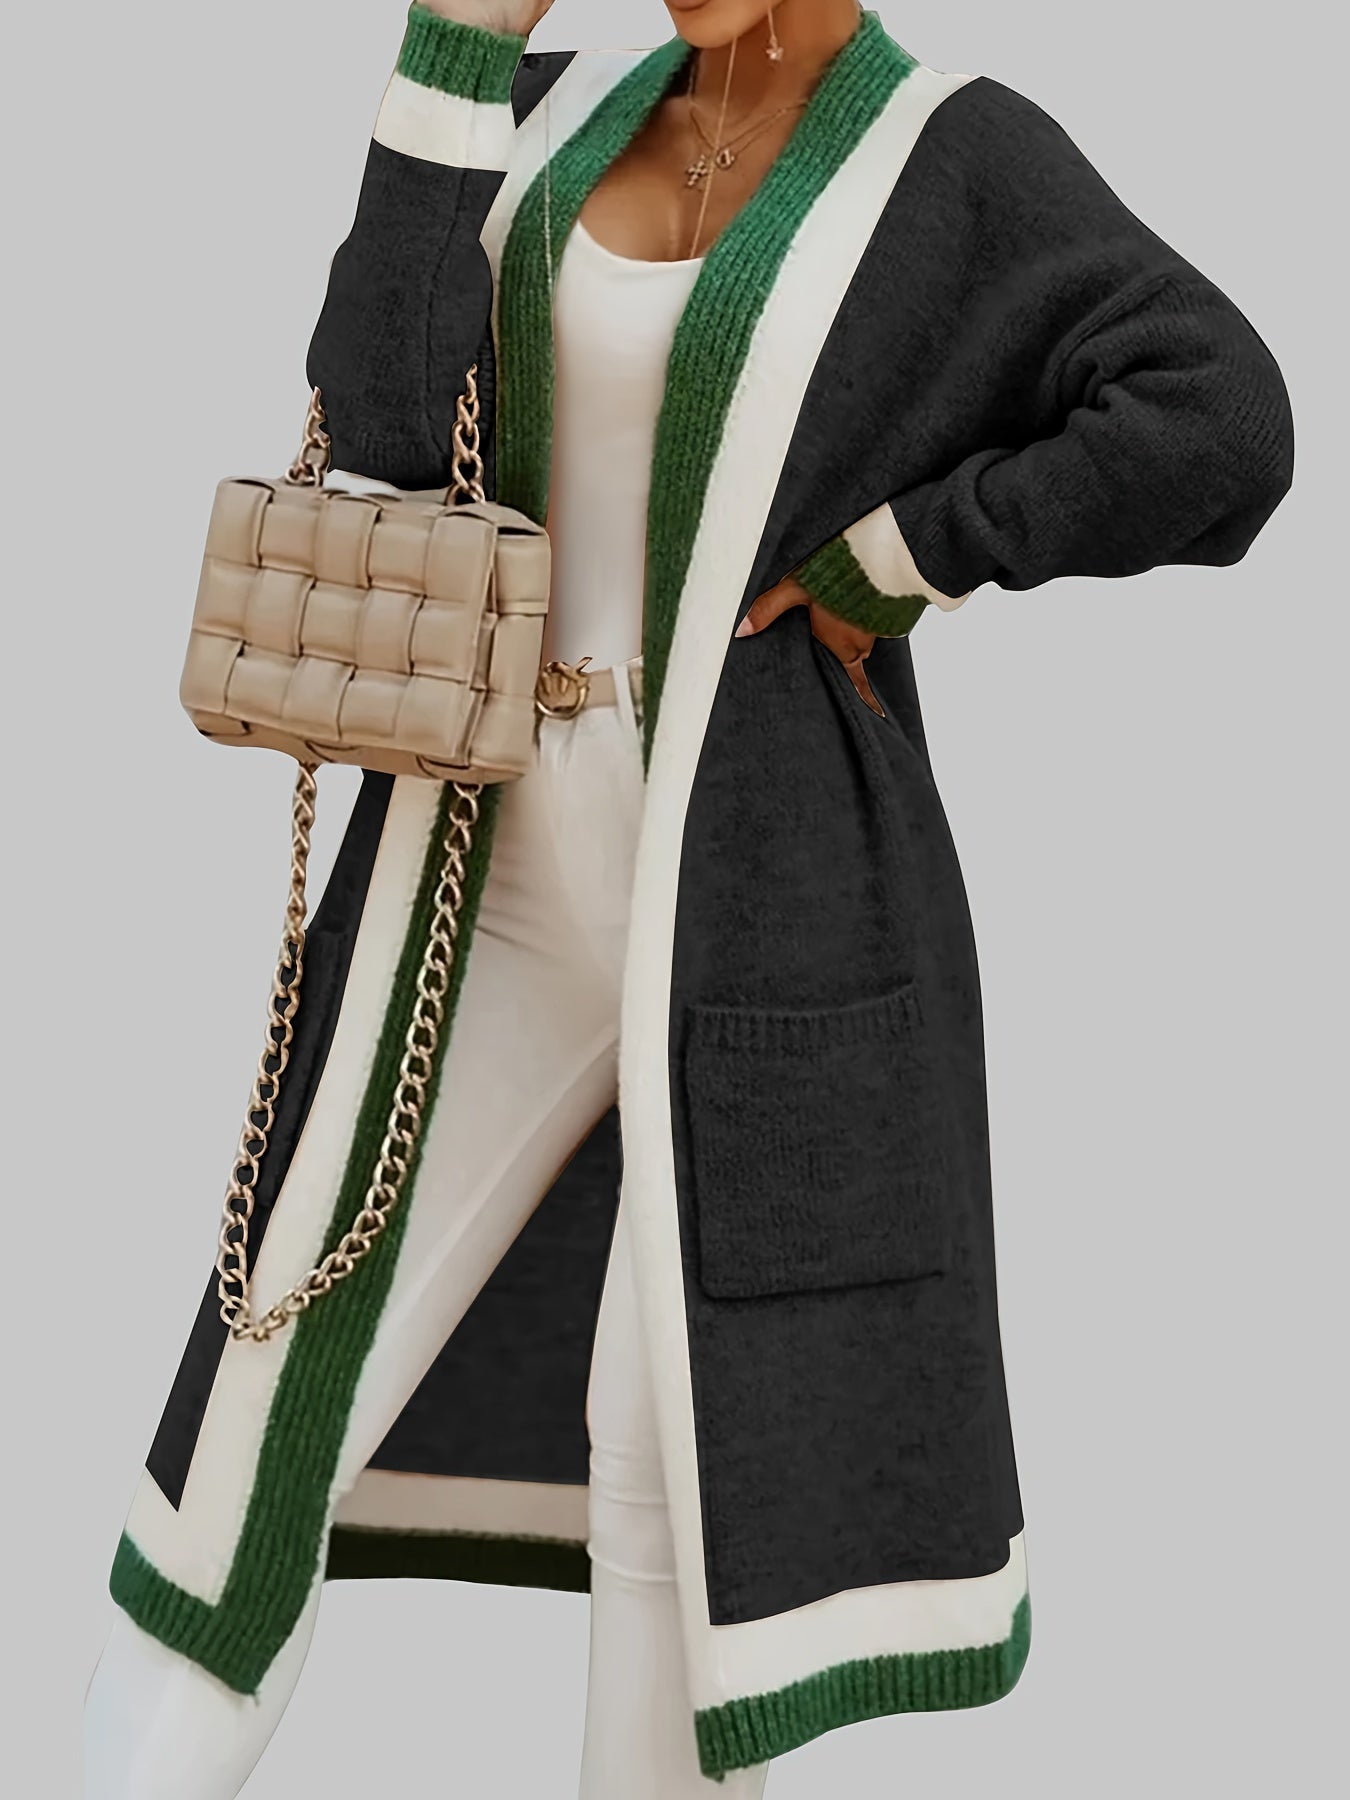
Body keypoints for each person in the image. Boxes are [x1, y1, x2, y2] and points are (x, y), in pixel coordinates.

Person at [84, 2, 1295, 1794]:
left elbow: (1221, 415)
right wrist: (452, 50)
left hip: (760, 908)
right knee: (261, 1409)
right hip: (472, 870)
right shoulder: (549, 111)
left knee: (672, 1469)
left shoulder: (950, 155)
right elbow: (387, 423)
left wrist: (908, 554)